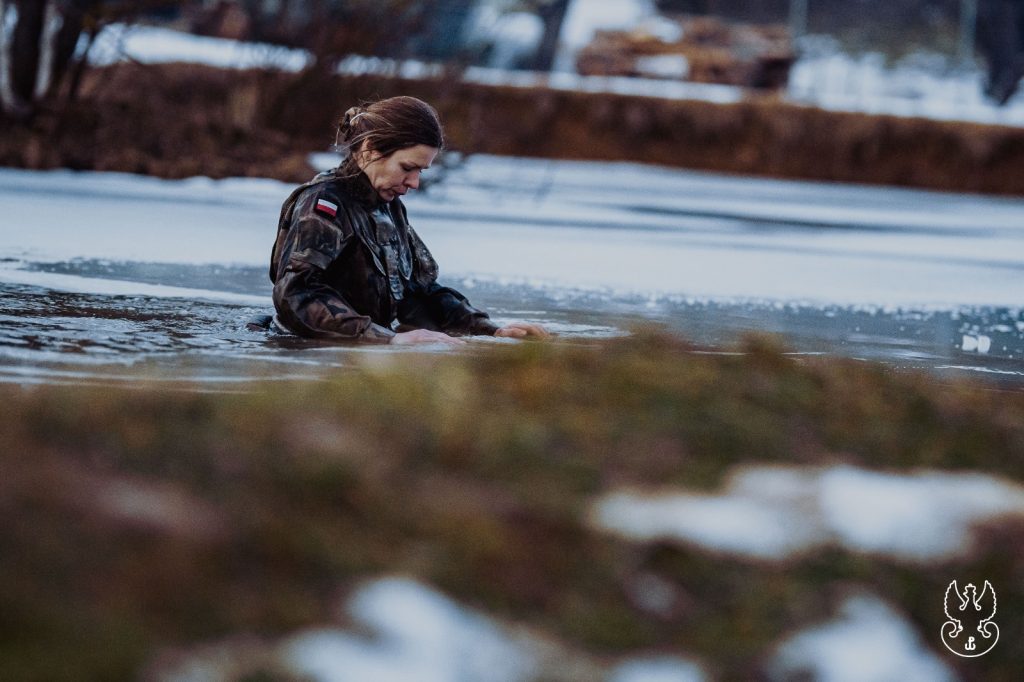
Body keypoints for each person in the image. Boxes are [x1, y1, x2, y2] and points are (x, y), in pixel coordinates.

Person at [269, 96, 549, 345]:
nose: (414, 183)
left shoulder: (390, 208)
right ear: (369, 150)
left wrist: (491, 330)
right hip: (305, 355)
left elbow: (417, 294)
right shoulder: (323, 205)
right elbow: (296, 295)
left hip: (365, 352)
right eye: (407, 168)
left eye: (421, 172)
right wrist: (389, 339)